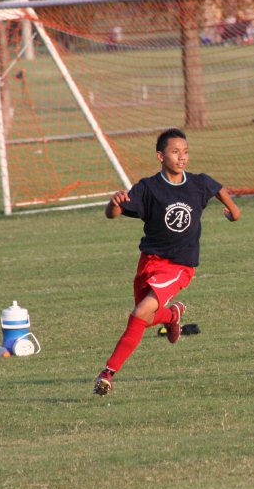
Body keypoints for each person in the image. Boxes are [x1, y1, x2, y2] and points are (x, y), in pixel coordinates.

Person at [93, 128, 241, 395]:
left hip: (179, 266)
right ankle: (173, 315)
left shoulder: (197, 183)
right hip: (149, 262)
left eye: (185, 152)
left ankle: (107, 374)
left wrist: (234, 210)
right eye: (175, 152)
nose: (181, 157)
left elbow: (216, 187)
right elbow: (113, 214)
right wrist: (113, 203)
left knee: (138, 315)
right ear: (160, 156)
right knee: (145, 318)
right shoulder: (148, 188)